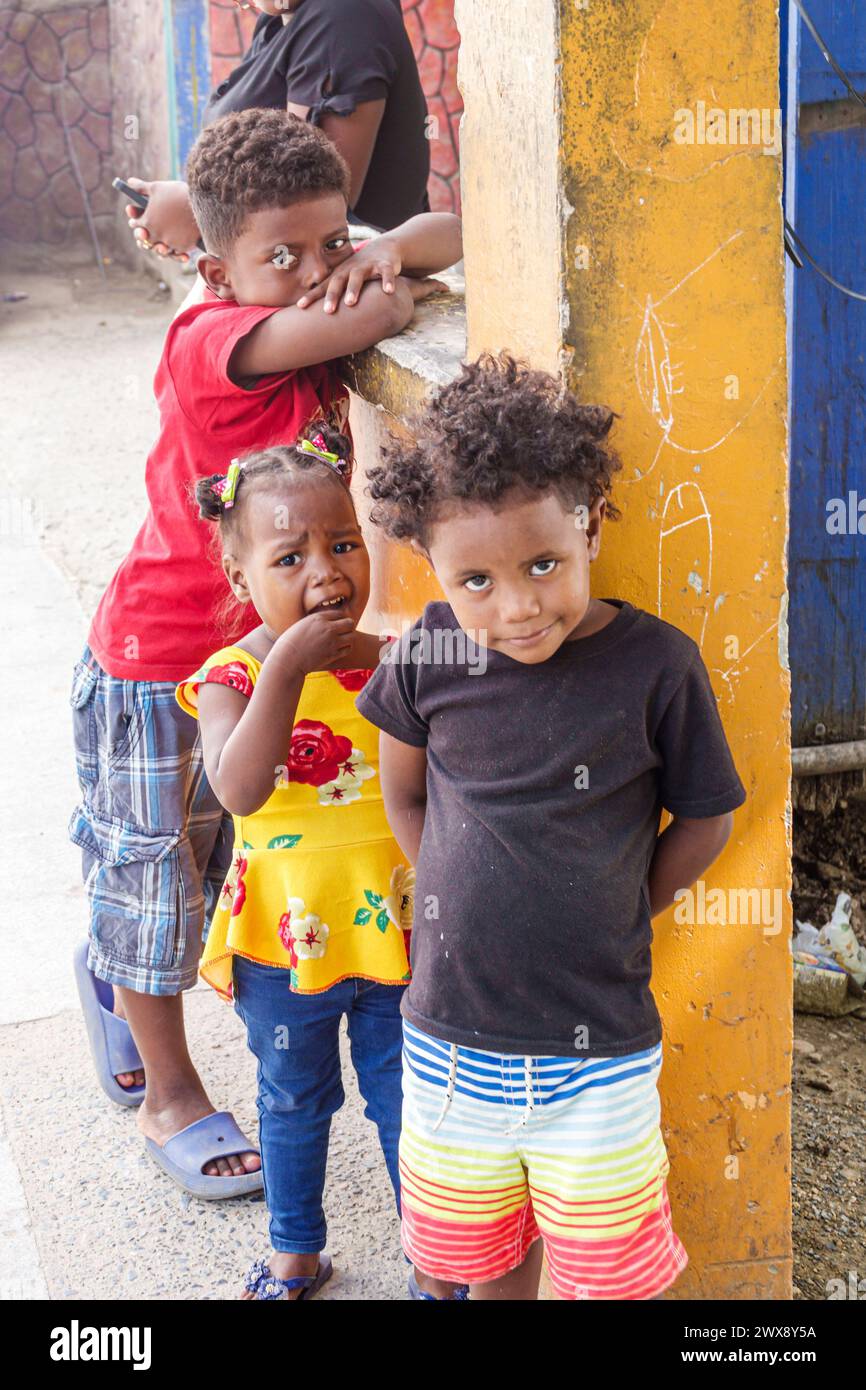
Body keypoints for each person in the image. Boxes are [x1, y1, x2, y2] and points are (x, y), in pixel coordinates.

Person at [70, 105, 461, 1199]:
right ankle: (171, 1091)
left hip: (263, 658)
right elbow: (372, 311)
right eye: (277, 257)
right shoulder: (209, 340)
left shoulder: (300, 274)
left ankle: (112, 971)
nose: (307, 275)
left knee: (207, 864)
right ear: (213, 262)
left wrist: (376, 245)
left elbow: (443, 233)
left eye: (324, 245)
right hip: (165, 657)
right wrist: (370, 275)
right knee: (158, 885)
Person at [355, 352, 748, 1300]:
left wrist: (624, 902)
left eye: (543, 565)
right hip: (450, 1046)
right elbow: (404, 794)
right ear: (433, 569)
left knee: (611, 1276)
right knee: (476, 1264)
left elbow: (705, 818)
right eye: (476, 579)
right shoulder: (435, 651)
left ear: (590, 526)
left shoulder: (656, 666)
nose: (519, 605)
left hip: (598, 1061)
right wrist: (449, 880)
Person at [174, 422, 465, 1299]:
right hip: (285, 944)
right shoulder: (229, 677)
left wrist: (392, 658)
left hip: (398, 931)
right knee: (294, 1101)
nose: (326, 573)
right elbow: (239, 790)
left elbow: (475, 684)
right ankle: (296, 1249)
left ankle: (436, 1256)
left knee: (407, 1100)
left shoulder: (404, 657)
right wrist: (286, 672)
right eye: (289, 557)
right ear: (240, 577)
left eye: (343, 545)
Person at [125, 0, 431, 263]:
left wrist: (195, 214)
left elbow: (315, 207)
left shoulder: (343, 17)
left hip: (341, 296)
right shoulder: (279, 18)